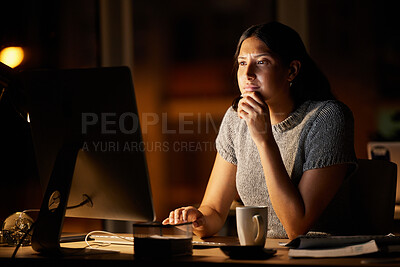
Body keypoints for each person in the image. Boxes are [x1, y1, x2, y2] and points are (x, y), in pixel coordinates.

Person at [162, 22, 357, 240]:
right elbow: (215, 211)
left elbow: (296, 227)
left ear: (291, 70)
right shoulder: (236, 118)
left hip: (325, 255)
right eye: (242, 63)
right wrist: (197, 218)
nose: (247, 74)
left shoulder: (328, 117)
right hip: (267, 252)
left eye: (262, 62)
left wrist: (264, 140)